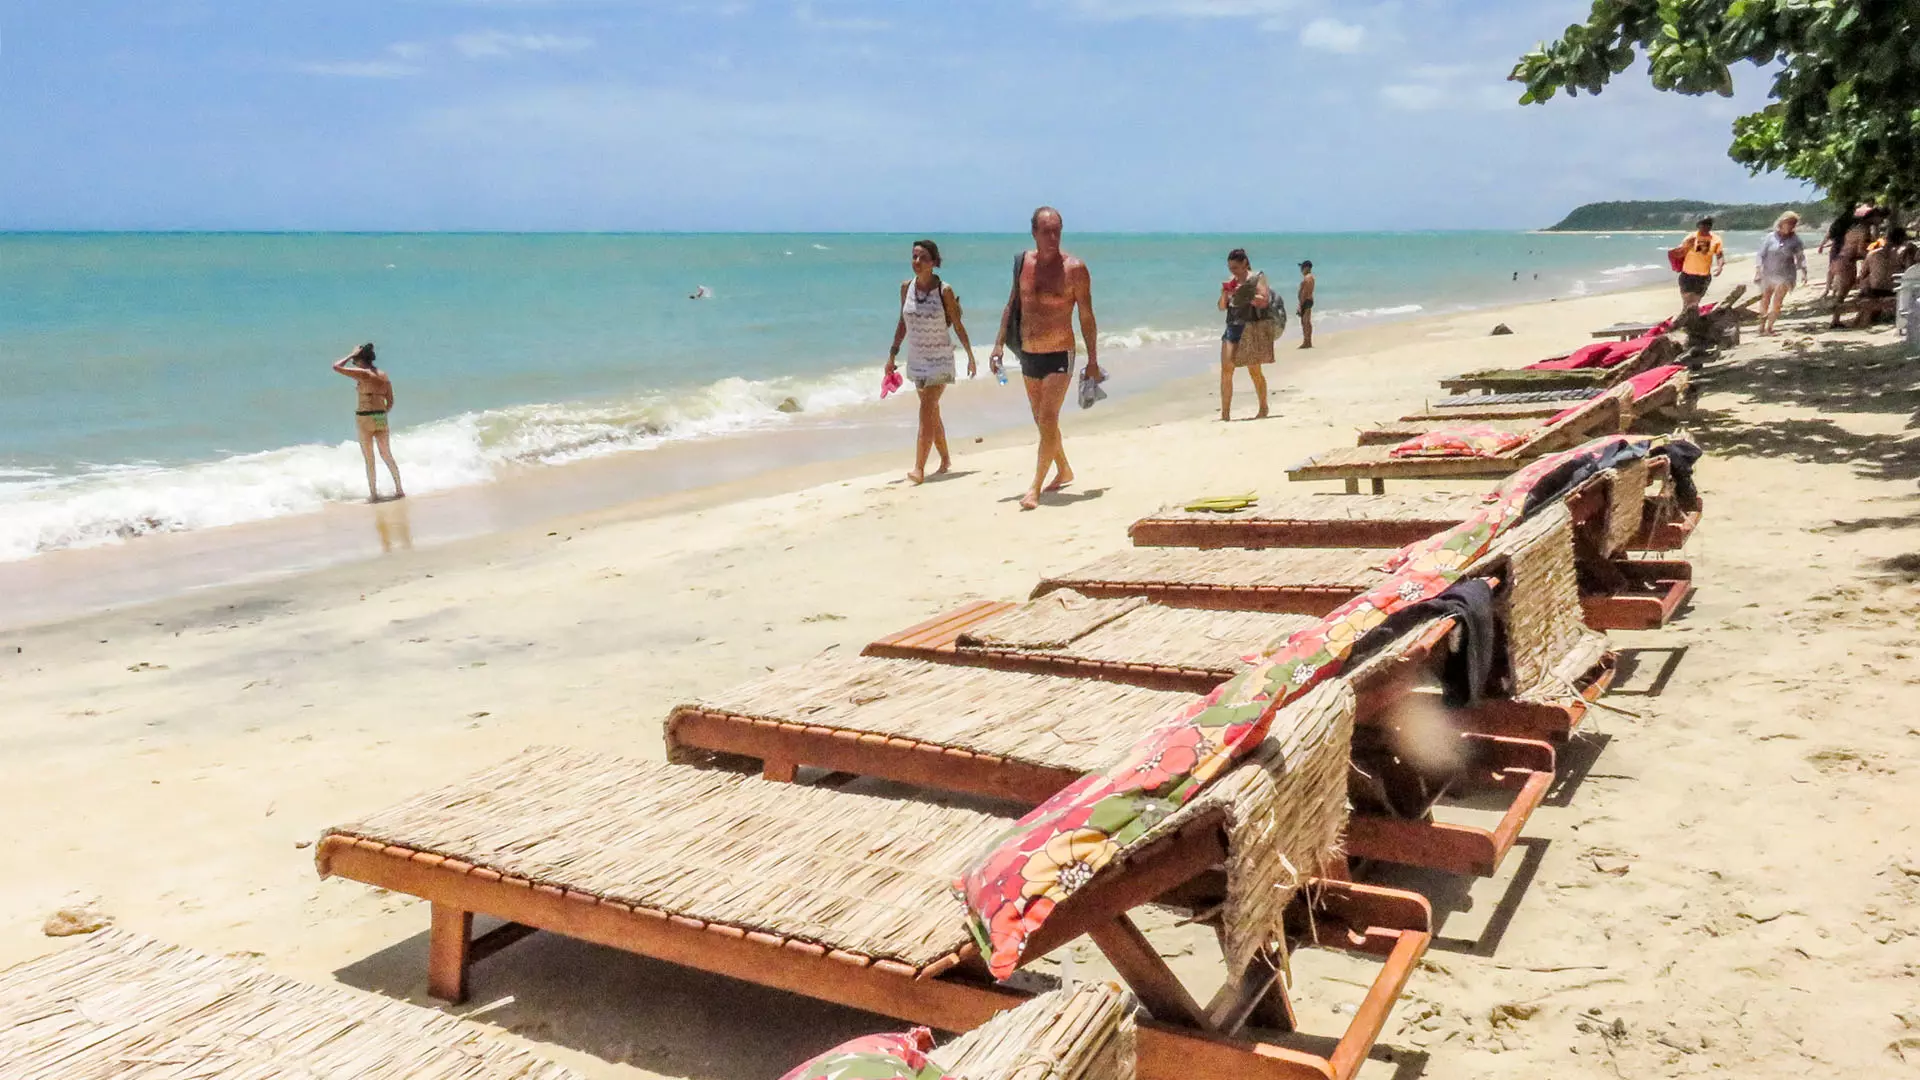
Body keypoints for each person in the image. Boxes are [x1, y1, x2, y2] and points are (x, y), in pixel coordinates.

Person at [990, 206, 1100, 511]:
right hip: (1028, 352)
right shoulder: (1023, 263)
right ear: (1034, 233)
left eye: (1057, 230)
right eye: (1046, 231)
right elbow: (1012, 304)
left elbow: (1087, 316)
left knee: (1048, 417)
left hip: (1059, 353)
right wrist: (999, 344)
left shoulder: (1075, 269)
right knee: (1042, 420)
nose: (1053, 237)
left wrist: (1092, 360)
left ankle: (1034, 487)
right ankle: (1063, 469)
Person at [884, 239, 977, 484]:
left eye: (922, 257)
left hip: (940, 358)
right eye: (914, 257)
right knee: (931, 411)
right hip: (917, 359)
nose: (916, 262)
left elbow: (957, 324)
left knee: (926, 408)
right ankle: (945, 459)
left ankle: (919, 468)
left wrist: (970, 355)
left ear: (934, 262)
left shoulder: (944, 290)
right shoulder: (907, 287)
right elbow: (902, 322)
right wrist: (892, 354)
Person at [332, 343, 404, 502]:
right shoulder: (384, 375)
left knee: (369, 458)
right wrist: (381, 413)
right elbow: (390, 400)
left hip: (365, 417)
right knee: (387, 454)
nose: (354, 364)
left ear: (360, 360)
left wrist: (351, 354)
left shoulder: (363, 374)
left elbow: (336, 366)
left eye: (355, 361)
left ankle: (374, 494)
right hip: (380, 417)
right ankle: (399, 489)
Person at [1216, 248, 1276, 420]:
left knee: (1254, 370)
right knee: (1226, 369)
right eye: (1230, 268)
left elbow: (1264, 301)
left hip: (1251, 327)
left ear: (1244, 264)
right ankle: (1225, 413)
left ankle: (1263, 408)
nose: (1232, 271)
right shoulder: (1231, 281)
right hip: (1232, 326)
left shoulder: (1257, 278)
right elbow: (1221, 307)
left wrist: (1245, 294)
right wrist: (1225, 294)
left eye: (1235, 267)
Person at [1753, 211, 1808, 335]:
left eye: (1793, 224)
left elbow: (1800, 257)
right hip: (1767, 274)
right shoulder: (1770, 237)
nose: (1790, 226)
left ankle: (1769, 327)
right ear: (1781, 222)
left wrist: (1804, 272)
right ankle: (1761, 326)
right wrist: (1758, 270)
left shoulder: (1796, 240)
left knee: (1777, 302)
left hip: (1785, 275)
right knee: (1764, 300)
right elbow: (1760, 254)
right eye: (1788, 223)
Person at [1672, 216, 1723, 314]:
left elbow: (1720, 255)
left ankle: (1689, 322)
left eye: (1709, 224)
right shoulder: (1691, 238)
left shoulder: (1716, 239)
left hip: (1703, 276)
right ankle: (1686, 322)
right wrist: (1687, 246)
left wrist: (1720, 267)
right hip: (1687, 275)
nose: (1706, 226)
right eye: (1703, 224)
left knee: (1694, 304)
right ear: (1698, 225)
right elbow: (1678, 254)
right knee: (1687, 303)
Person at [1296, 260, 1316, 348]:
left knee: (1305, 322)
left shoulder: (1308, 278)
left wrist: (1300, 304)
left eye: (1302, 267)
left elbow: (1305, 292)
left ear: (1307, 268)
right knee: (1305, 322)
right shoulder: (1309, 277)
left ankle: (1307, 342)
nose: (1301, 269)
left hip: (1306, 301)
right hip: (1307, 300)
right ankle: (1307, 341)